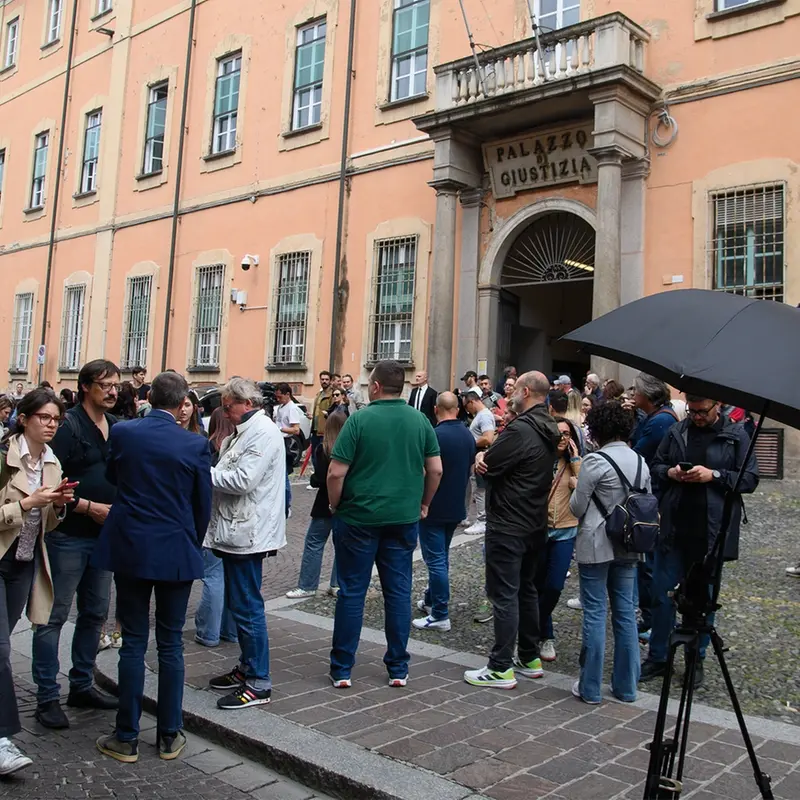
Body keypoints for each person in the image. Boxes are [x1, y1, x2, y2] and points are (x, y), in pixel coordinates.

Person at [93, 372, 211, 763]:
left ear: (149, 399)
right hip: (175, 547)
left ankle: (125, 735)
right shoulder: (194, 444)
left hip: (130, 545)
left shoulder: (125, 433)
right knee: (170, 642)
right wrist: (189, 540)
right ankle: (168, 734)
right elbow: (202, 504)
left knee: (134, 640)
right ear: (181, 406)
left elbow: (113, 476)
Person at [327, 360, 442, 688]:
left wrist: (336, 503)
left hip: (358, 516)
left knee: (352, 591)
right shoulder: (420, 420)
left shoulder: (359, 420)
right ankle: (397, 666)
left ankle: (343, 668)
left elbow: (336, 472)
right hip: (403, 517)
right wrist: (424, 503)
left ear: (375, 386)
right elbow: (435, 469)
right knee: (398, 591)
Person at [641, 394, 759, 689]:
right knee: (662, 595)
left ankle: (696, 659)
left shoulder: (735, 435)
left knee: (702, 601)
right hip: (674, 528)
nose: (696, 416)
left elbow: (749, 479)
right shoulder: (676, 431)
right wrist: (670, 472)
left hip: (711, 533)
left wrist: (714, 475)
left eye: (702, 411)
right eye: (692, 411)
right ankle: (659, 656)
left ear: (717, 405)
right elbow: (656, 466)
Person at [32, 359, 120, 730]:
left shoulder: (115, 427)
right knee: (52, 617)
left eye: (116, 384)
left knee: (94, 614)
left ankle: (81, 683)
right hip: (68, 537)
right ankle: (46, 695)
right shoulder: (67, 427)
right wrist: (88, 506)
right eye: (105, 385)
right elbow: (50, 487)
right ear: (86, 387)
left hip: (103, 539)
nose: (113, 391)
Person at [464, 371, 560, 689]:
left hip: (509, 521)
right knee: (528, 589)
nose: (512, 394)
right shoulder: (547, 425)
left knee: (504, 593)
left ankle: (500, 666)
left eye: (517, 389)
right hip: (534, 520)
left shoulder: (521, 428)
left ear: (527, 391)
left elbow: (491, 463)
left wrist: (481, 457)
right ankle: (529, 657)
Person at [0, 389, 74, 776]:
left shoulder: (52, 463)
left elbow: (46, 524)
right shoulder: (3, 458)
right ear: (24, 418)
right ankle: (1, 741)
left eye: (56, 419)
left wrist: (57, 505)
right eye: (44, 417)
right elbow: (19, 512)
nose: (50, 425)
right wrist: (27, 504)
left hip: (24, 563)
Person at [205, 379, 286, 709]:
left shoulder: (262, 432)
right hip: (238, 529)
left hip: (248, 533)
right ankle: (248, 668)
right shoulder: (246, 430)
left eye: (228, 406)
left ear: (246, 404)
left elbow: (242, 480)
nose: (225, 413)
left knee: (248, 607)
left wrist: (202, 473)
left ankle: (258, 682)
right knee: (242, 605)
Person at [568, 401, 647, 705]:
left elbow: (577, 507)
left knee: (595, 612)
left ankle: (589, 687)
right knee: (626, 614)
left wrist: (576, 484)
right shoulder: (640, 461)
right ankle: (627, 687)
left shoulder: (595, 461)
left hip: (597, 542)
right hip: (629, 543)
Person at [413, 392, 475, 632]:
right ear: (458, 410)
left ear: (437, 410)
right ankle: (431, 600)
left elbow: (428, 471)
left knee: (435, 559)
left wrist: (423, 501)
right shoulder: (467, 435)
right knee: (441, 555)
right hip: (456, 504)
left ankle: (440, 613)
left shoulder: (434, 435)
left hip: (434, 506)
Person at [628, 373, 678, 641]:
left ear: (647, 395)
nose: (632, 395)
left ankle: (651, 619)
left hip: (653, 497)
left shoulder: (660, 422)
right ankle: (650, 617)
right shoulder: (656, 417)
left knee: (649, 563)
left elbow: (637, 452)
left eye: (636, 391)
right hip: (653, 495)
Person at [285, 412, 345, 600]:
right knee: (341, 545)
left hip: (323, 502)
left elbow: (318, 478)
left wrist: (313, 478)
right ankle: (336, 584)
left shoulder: (323, 449)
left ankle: (307, 585)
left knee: (314, 543)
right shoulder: (350, 449)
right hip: (345, 502)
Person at [536, 416, 581, 663]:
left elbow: (585, 490)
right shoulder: (541, 459)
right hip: (540, 529)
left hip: (566, 530)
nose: (563, 438)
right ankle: (546, 634)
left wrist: (575, 462)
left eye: (567, 434)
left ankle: (533, 625)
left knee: (554, 586)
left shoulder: (575, 463)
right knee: (537, 584)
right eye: (558, 433)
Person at [463, 388, 496, 536]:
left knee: (480, 487)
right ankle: (472, 518)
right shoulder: (481, 415)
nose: (467, 410)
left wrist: (470, 442)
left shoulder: (484, 416)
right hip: (477, 455)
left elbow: (488, 438)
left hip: (481, 456)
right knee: (475, 486)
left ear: (471, 402)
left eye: (466, 406)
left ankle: (482, 520)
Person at [310, 371, 333, 469]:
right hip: (315, 430)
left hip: (324, 431)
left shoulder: (332, 395)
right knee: (314, 457)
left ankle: (323, 481)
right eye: (322, 379)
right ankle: (317, 479)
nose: (324, 381)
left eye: (326, 379)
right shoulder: (319, 394)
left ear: (330, 381)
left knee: (322, 458)